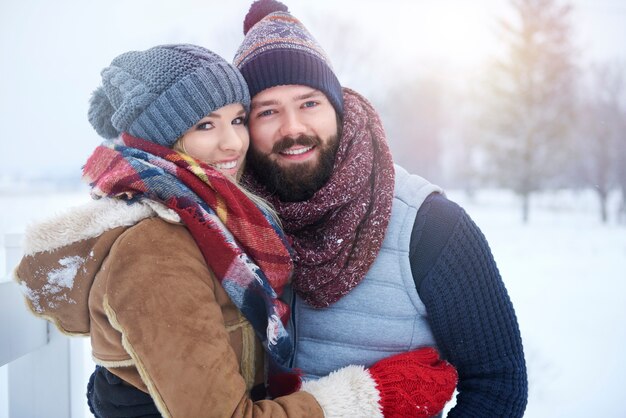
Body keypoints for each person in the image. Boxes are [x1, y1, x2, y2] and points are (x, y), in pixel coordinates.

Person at [14, 44, 457, 417]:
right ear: (160, 138)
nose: (233, 143)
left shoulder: (212, 218)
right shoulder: (155, 248)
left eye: (238, 119)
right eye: (205, 125)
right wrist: (368, 394)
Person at [233, 1, 529, 416]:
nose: (293, 127)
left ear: (338, 107)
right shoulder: (227, 224)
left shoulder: (429, 226)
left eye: (309, 103)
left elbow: (498, 382)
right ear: (246, 127)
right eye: (268, 111)